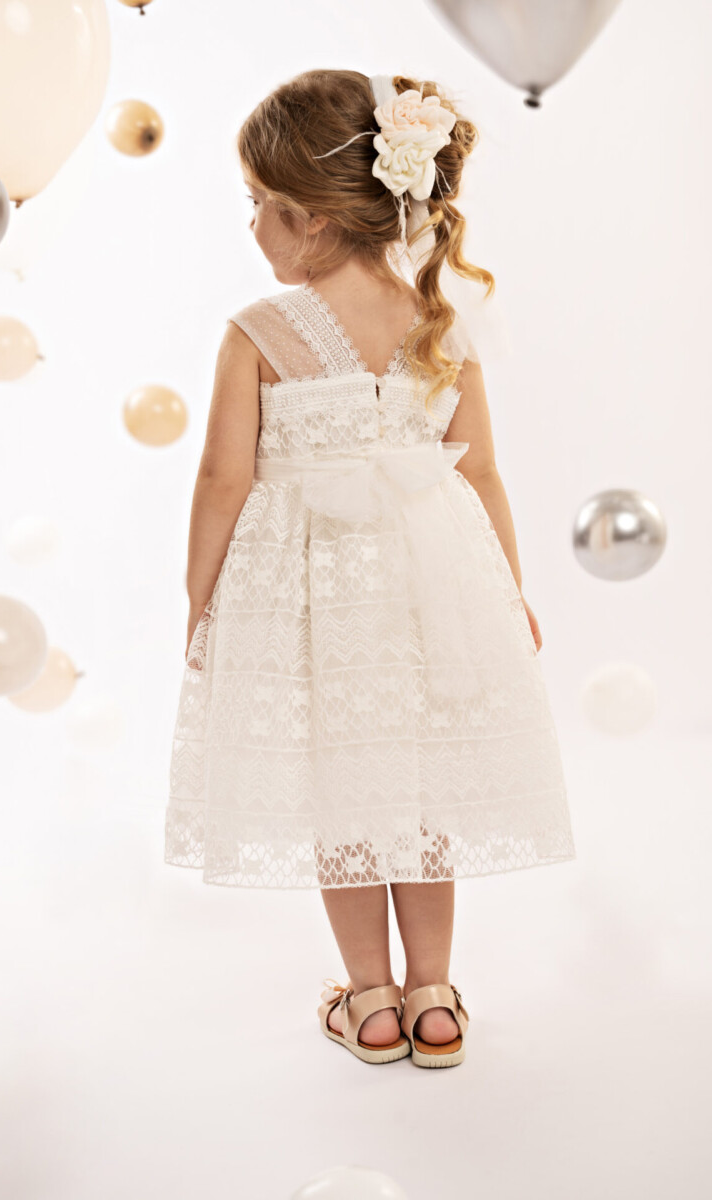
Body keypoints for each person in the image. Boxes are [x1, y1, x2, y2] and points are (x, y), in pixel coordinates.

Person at [165, 70, 577, 1069]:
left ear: (311, 218)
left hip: (315, 598)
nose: (251, 225)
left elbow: (223, 480)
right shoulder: (439, 320)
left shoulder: (259, 332)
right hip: (436, 591)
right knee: (417, 787)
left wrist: (201, 600)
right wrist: (508, 594)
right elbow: (480, 473)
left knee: (340, 788)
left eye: (259, 204)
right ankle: (434, 999)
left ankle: (372, 1001)